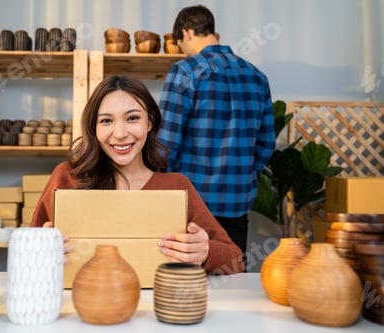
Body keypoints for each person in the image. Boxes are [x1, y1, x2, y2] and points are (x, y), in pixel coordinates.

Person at [31, 75, 244, 274]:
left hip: (156, 308)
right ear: (93, 127)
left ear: (149, 122)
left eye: (132, 118)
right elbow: (29, 251)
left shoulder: (176, 186)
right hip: (82, 307)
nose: (121, 134)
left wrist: (205, 252)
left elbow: (235, 260)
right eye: (106, 121)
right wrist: (40, 252)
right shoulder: (68, 177)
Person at [158, 5, 276, 257]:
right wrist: (243, 173)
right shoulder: (257, 76)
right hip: (237, 202)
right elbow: (266, 143)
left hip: (192, 203)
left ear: (187, 33)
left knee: (187, 278)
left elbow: (166, 143)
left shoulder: (186, 71)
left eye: (180, 44)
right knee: (231, 273)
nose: (183, 52)